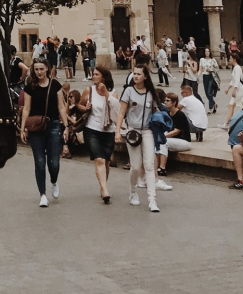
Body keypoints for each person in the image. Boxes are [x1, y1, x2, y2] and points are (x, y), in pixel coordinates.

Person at [18, 57, 68, 208]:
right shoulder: (30, 87)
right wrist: (22, 128)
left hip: (53, 124)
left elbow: (61, 107)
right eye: (36, 69)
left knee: (54, 163)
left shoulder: (55, 85)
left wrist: (66, 126)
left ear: (47, 68)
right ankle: (43, 194)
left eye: (41, 69)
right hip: (36, 127)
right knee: (39, 162)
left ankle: (53, 180)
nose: (39, 72)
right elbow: (26, 109)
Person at [115, 62, 161, 212]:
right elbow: (121, 112)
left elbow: (155, 112)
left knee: (148, 165)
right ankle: (133, 191)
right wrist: (117, 132)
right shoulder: (128, 91)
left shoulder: (150, 93)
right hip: (133, 131)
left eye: (138, 74)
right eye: (134, 73)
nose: (135, 76)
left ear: (145, 76)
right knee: (135, 166)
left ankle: (152, 199)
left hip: (147, 131)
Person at [82, 66, 118, 204]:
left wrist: (105, 94)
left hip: (108, 130)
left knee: (106, 160)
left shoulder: (113, 92)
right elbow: (80, 105)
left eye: (96, 74)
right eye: (93, 74)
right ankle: (104, 189)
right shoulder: (89, 90)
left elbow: (115, 108)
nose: (93, 77)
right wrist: (85, 107)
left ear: (103, 77)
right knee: (99, 160)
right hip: (92, 128)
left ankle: (103, 185)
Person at [157, 93, 192, 178]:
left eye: (168, 101)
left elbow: (176, 131)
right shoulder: (168, 114)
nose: (165, 102)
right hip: (174, 140)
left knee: (163, 142)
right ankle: (156, 166)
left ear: (174, 102)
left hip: (184, 141)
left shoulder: (180, 114)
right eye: (165, 100)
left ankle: (162, 168)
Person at [200, 46, 220, 113]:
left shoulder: (213, 60)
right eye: (206, 51)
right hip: (205, 76)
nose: (207, 53)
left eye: (208, 51)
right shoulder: (202, 60)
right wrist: (197, 75)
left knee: (209, 92)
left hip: (211, 76)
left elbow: (217, 68)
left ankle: (210, 108)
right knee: (206, 93)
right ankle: (214, 104)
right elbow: (200, 69)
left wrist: (211, 69)